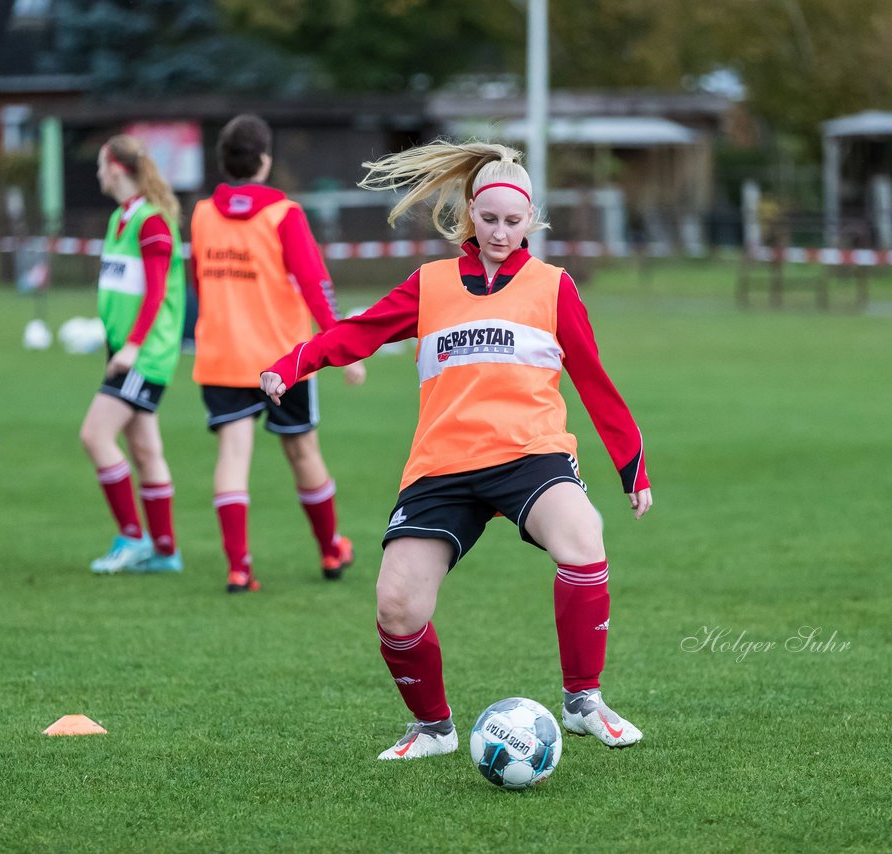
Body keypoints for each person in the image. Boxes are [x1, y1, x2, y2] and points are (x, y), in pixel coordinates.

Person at [261, 141, 653, 760]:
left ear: (531, 221)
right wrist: (295, 363)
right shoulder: (431, 283)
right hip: (442, 466)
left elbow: (594, 380)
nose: (500, 232)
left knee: (583, 536)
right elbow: (359, 333)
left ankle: (583, 702)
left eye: (513, 221)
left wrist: (632, 465)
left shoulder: (553, 287)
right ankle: (434, 729)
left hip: (531, 455)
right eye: (489, 219)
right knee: (396, 607)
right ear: (471, 215)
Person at [191, 115, 365, 593]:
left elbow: (197, 283)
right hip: (282, 360)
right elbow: (315, 284)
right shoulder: (283, 214)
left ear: (224, 160)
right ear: (265, 160)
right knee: (302, 451)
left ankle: (239, 567)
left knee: (232, 453)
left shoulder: (203, 213)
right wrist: (342, 347)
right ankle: (331, 549)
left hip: (221, 355)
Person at [80, 135, 187, 574]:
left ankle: (132, 537)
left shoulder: (152, 222)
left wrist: (132, 346)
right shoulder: (120, 219)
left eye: (102, 164)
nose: (98, 172)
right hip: (128, 350)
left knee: (96, 436)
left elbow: (157, 293)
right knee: (144, 448)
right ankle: (165, 552)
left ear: (118, 168)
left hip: (144, 355)